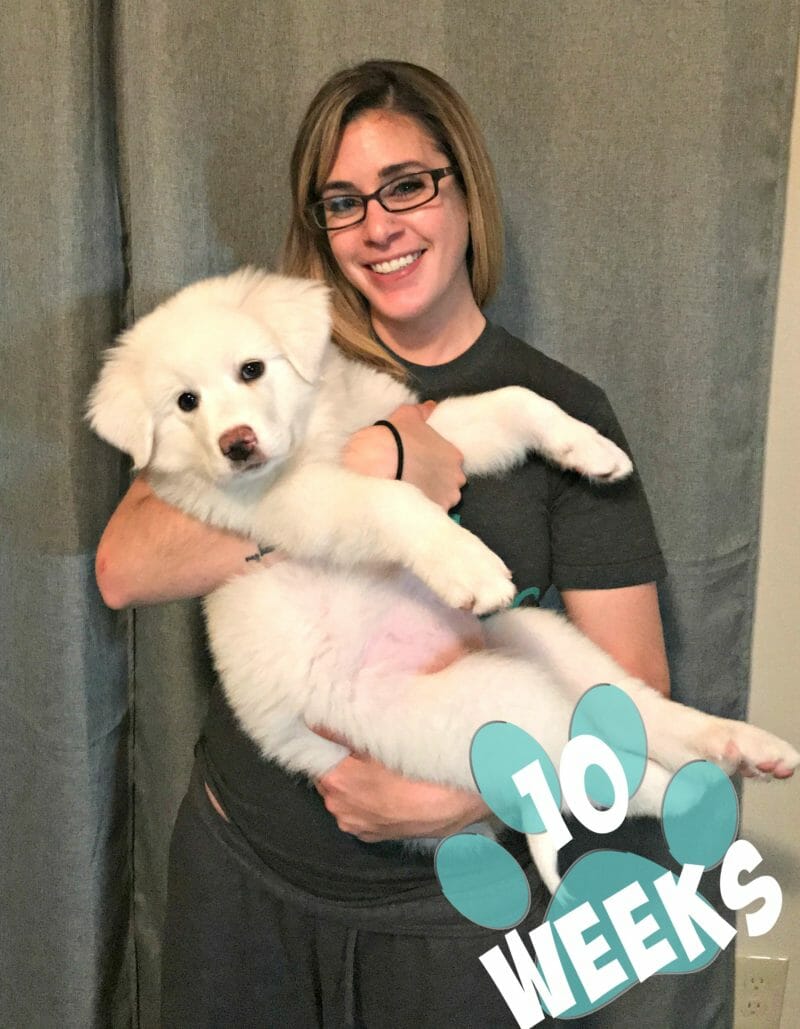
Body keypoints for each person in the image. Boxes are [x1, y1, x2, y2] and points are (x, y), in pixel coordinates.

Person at [97, 60, 671, 1028]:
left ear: (462, 190)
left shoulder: (558, 412)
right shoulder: (269, 366)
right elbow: (125, 564)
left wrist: (469, 802)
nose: (378, 226)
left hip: (447, 917)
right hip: (241, 879)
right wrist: (371, 469)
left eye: (406, 184)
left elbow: (628, 702)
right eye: (342, 201)